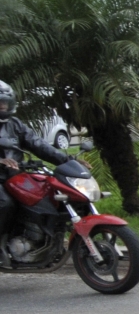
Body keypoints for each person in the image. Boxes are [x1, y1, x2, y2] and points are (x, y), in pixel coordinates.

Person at [0, 81, 74, 241]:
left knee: (47, 194)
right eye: (0, 102)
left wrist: (67, 160)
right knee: (5, 203)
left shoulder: (15, 124)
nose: (3, 106)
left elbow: (38, 144)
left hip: (14, 176)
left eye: (5, 102)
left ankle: (41, 238)